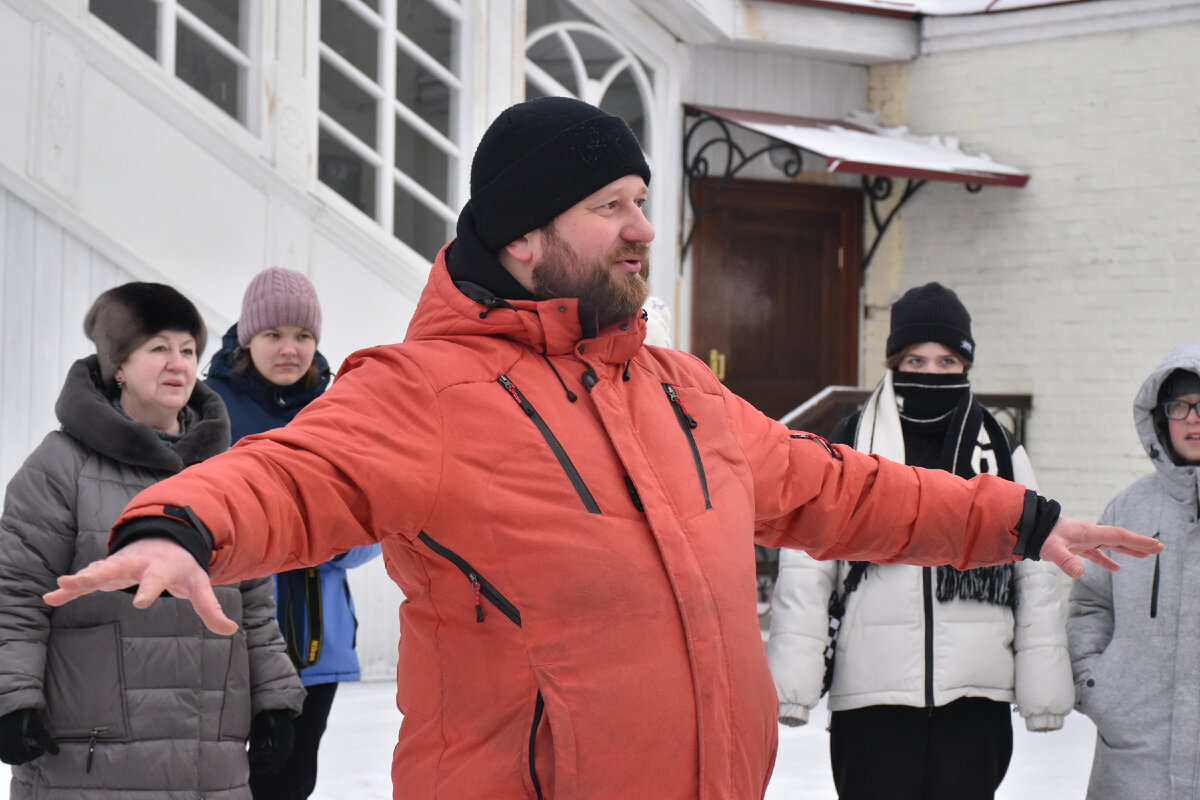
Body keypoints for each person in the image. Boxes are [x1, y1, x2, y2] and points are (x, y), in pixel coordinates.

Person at [42, 98, 1158, 799]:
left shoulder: (677, 390)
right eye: (610, 204)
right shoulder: (425, 387)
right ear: (523, 236)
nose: (641, 228)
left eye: (642, 200)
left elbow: (835, 488)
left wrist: (1018, 516)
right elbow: (297, 470)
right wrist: (180, 520)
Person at [766, 282, 1074, 800]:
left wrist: (1043, 688)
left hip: (976, 700)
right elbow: (806, 567)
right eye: (916, 359)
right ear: (893, 362)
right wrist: (794, 684)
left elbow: (1035, 575)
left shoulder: (1001, 451)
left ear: (966, 366)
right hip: (871, 698)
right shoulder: (850, 442)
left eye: (947, 361)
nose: (931, 373)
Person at [0, 282, 305, 799]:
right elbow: (16, 592)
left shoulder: (226, 470)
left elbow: (254, 600)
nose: (178, 364)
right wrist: (12, 697)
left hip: (210, 760)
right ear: (118, 365)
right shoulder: (60, 466)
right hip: (92, 758)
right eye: (158, 348)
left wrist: (273, 696)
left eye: (188, 350)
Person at [204, 266, 382, 800]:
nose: (290, 348)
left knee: (293, 782)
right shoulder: (208, 411)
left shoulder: (338, 411)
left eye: (303, 335)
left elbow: (374, 520)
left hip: (316, 648)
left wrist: (325, 537)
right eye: (274, 334)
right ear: (246, 338)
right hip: (228, 646)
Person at [1068, 342, 1200, 799]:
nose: (1192, 418)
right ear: (1161, 417)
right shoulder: (1129, 508)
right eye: (1179, 405)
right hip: (1134, 758)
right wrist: (1098, 685)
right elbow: (1090, 603)